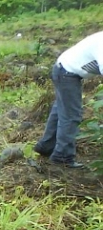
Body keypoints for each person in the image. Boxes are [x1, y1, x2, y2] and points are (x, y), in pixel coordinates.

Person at [34, 31, 103, 169]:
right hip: (67, 74)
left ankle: (46, 146)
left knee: (61, 111)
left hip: (63, 69)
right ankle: (62, 156)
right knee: (71, 116)